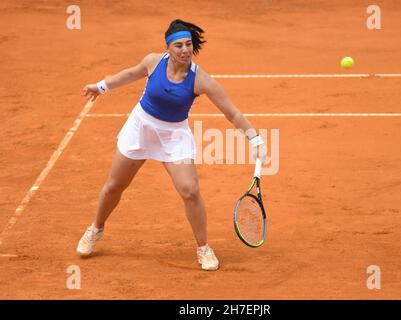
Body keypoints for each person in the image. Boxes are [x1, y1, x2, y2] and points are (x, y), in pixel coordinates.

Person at [77, 19, 267, 271]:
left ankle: (203, 247)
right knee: (114, 187)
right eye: (178, 45)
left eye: (188, 44)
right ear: (168, 48)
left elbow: (232, 113)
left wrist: (254, 137)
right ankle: (96, 228)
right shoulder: (153, 61)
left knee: (190, 190)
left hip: (173, 135)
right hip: (141, 128)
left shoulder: (201, 79)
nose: (185, 50)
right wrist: (101, 86)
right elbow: (130, 74)